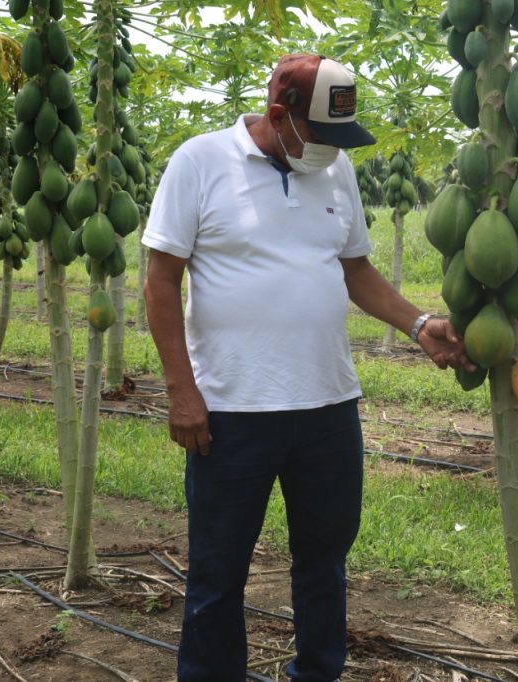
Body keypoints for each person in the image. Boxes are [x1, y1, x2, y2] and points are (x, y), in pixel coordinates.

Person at [142, 53, 471, 682]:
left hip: (327, 408)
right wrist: (181, 392)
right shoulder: (200, 162)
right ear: (278, 115)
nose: (331, 149)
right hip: (233, 413)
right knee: (218, 572)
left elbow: (356, 271)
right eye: (321, 134)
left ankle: (318, 673)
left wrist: (419, 325)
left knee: (324, 564)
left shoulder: (335, 166)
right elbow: (161, 282)